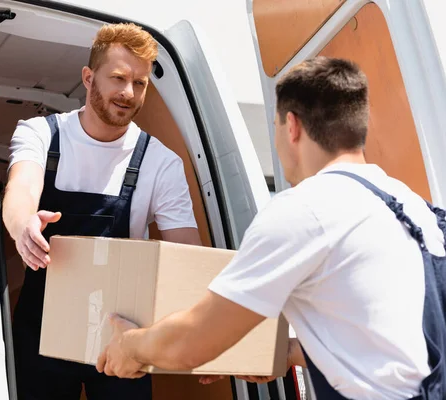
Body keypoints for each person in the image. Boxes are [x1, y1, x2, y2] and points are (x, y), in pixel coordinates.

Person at [95, 56, 446, 399]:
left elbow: (192, 343)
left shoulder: (306, 209)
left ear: (291, 126)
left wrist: (131, 346)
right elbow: (382, 334)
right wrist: (288, 352)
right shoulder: (414, 208)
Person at [2, 22, 201, 400]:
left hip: (123, 339)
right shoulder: (42, 133)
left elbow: (186, 253)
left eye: (140, 83)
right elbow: (21, 190)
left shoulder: (161, 162)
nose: (129, 93)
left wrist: (203, 342)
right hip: (40, 333)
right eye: (119, 78)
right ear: (89, 78)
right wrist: (23, 226)